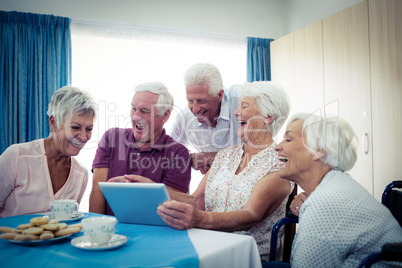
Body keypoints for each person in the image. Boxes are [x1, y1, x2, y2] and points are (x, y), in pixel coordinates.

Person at [155, 81, 294, 261]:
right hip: (208, 247)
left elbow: (251, 215)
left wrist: (200, 220)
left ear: (268, 116)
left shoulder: (280, 164)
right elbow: (195, 200)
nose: (236, 112)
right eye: (238, 106)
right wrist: (154, 189)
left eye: (244, 106)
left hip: (246, 257)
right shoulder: (224, 156)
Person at [274, 113, 402, 267]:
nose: (277, 146)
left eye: (288, 139)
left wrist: (313, 209)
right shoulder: (335, 187)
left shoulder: (324, 204)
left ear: (319, 150)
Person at [89, 82, 191, 215]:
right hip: (110, 230)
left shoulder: (178, 154)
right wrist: (97, 231)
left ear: (165, 115)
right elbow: (98, 192)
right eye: (133, 108)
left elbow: (171, 209)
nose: (135, 116)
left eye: (144, 111)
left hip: (154, 232)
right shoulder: (111, 138)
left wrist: (148, 188)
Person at [0, 86, 96, 218]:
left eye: (89, 129)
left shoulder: (81, 175)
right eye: (75, 127)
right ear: (53, 123)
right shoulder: (17, 157)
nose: (84, 137)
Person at [170, 63, 241, 174]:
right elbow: (172, 154)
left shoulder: (242, 102)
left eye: (201, 101)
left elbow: (260, 154)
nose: (195, 109)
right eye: (190, 101)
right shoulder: (184, 118)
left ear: (219, 95)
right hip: (214, 186)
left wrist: (211, 158)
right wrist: (190, 159)